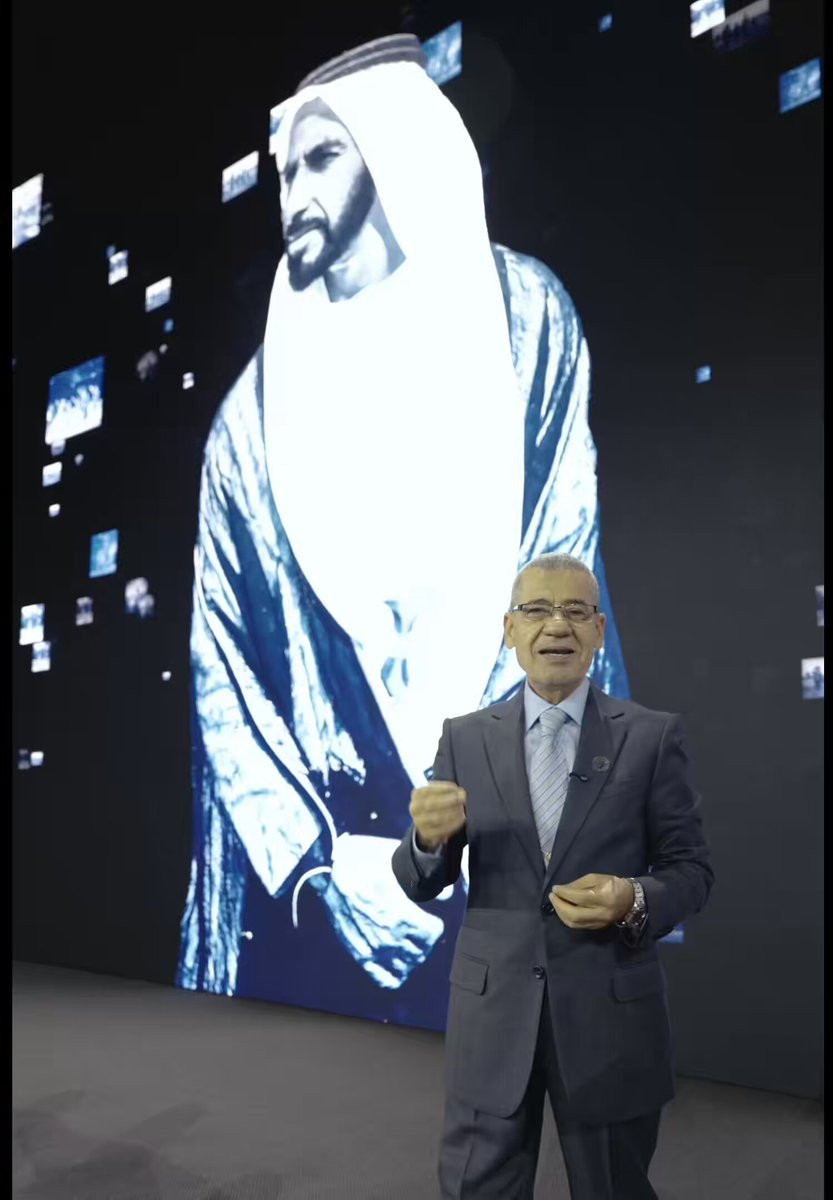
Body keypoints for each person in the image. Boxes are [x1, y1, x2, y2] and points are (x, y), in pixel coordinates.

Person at [177, 33, 630, 1023]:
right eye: (284, 169)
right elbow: (224, 677)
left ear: (396, 153)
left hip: (512, 850)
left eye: (322, 157)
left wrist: (459, 824)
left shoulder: (524, 322)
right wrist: (319, 870)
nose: (294, 191)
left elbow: (557, 565)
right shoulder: (246, 424)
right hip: (331, 901)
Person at [392, 552, 713, 1198]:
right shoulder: (464, 738)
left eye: (575, 610)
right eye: (536, 609)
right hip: (492, 1017)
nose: (556, 625)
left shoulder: (650, 738)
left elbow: (691, 870)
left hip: (609, 1019)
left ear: (598, 629)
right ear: (509, 629)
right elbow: (422, 880)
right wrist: (426, 840)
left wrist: (631, 898)